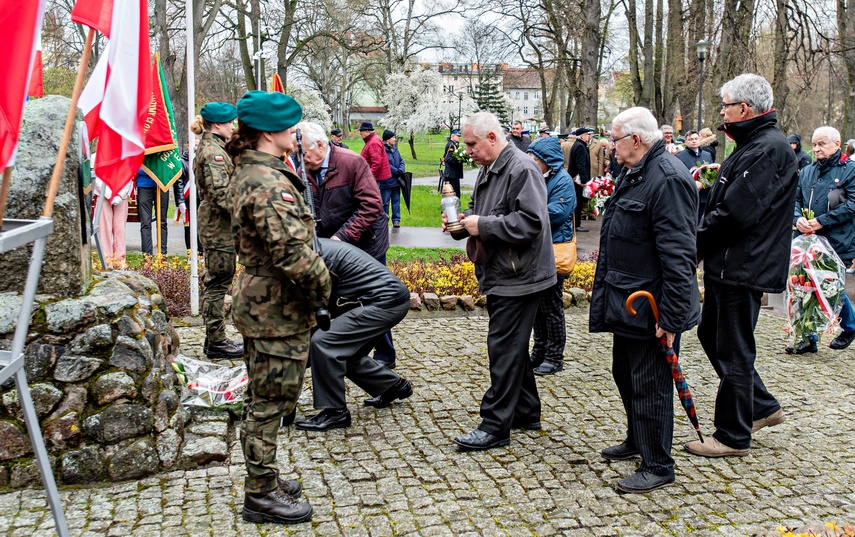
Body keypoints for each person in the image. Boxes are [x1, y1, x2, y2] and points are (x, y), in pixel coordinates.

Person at [225, 90, 331, 525]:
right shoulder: (267, 183)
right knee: (271, 402)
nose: (296, 133)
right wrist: (326, 288)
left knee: (266, 397)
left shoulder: (258, 170)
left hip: (268, 304)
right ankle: (260, 494)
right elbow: (293, 255)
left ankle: (264, 478)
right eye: (290, 126)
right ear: (269, 132)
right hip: (276, 309)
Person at [688, 73, 799, 459]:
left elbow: (734, 212)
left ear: (745, 109)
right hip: (731, 262)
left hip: (744, 264)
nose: (722, 110)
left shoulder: (769, 149)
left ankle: (733, 435)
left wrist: (696, 244)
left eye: (726, 104)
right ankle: (763, 406)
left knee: (734, 348)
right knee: (711, 335)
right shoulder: (754, 144)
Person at [589, 107, 699, 494]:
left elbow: (679, 256)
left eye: (615, 139)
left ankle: (657, 463)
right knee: (626, 373)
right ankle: (637, 438)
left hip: (653, 307)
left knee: (650, 382)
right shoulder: (637, 171)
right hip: (629, 301)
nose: (610, 147)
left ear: (636, 139)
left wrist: (670, 319)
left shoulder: (666, 179)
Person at [444, 111, 555, 451]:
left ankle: (495, 425)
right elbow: (486, 213)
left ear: (492, 137)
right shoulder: (488, 169)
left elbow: (531, 222)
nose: (468, 151)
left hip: (520, 275)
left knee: (503, 348)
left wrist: (484, 226)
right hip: (502, 271)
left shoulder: (521, 169)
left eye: (472, 144)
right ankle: (526, 411)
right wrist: (463, 223)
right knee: (512, 346)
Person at [295, 121, 397, 368]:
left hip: (366, 244)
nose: (301, 160)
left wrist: (342, 237)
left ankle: (384, 357)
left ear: (320, 145)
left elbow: (372, 205)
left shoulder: (351, 162)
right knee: (342, 302)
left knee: (374, 300)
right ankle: (349, 355)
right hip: (333, 247)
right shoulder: (304, 171)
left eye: (304, 154)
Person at [295, 239, 414, 431]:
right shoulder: (310, 248)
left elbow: (315, 312)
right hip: (385, 299)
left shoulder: (309, 259)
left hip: (385, 302)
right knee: (346, 351)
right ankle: (392, 386)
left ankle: (335, 412)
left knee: (324, 344)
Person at [789, 126, 855, 353]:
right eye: (814, 144)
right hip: (806, 239)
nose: (816, 148)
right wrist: (797, 219)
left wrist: (822, 221)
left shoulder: (850, 170)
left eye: (822, 144)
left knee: (829, 285)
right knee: (803, 285)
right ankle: (808, 338)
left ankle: (849, 325)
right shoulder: (807, 170)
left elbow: (852, 205)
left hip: (836, 240)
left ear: (837, 144)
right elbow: (796, 199)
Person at [192, 102, 244, 360]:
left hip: (217, 225)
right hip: (218, 226)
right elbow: (221, 194)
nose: (232, 126)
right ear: (217, 125)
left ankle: (214, 339)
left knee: (218, 279)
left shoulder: (215, 147)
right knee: (218, 282)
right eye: (230, 122)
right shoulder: (215, 153)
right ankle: (217, 341)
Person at [525, 137, 576, 376]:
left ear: (547, 161)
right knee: (537, 306)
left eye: (536, 159)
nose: (532, 162)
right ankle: (539, 351)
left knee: (551, 306)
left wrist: (527, 213)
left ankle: (555, 356)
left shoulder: (563, 181)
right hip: (539, 248)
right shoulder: (539, 177)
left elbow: (558, 212)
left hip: (554, 249)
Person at [93, 160, 133, 267]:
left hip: (121, 197)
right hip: (103, 196)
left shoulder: (124, 155)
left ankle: (120, 260)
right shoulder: (95, 157)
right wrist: (109, 194)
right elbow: (96, 178)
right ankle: (107, 259)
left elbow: (128, 176)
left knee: (119, 229)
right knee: (104, 229)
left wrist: (119, 195)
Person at [676, 130, 715, 224]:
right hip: (689, 196)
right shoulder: (679, 157)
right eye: (690, 139)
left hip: (705, 196)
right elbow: (678, 175)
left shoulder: (707, 155)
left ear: (699, 139)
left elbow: (712, 172)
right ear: (686, 142)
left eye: (696, 138)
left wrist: (706, 182)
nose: (694, 141)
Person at [135, 168, 169, 255]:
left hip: (162, 184)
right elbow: (135, 165)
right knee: (145, 222)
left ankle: (162, 254)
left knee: (162, 221)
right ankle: (147, 256)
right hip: (144, 185)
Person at [568, 127, 594, 232]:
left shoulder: (579, 145)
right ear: (582, 136)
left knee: (578, 201)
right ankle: (576, 224)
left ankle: (576, 223)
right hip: (577, 179)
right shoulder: (580, 146)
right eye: (587, 135)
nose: (589, 136)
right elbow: (581, 165)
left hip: (576, 178)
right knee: (578, 201)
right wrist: (584, 181)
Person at [358, 121, 392, 189]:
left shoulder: (373, 142)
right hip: (376, 176)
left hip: (375, 177)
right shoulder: (373, 139)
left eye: (361, 131)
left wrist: (369, 176)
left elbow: (376, 163)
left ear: (367, 131)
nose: (360, 133)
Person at [381, 129, 404, 228]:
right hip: (386, 181)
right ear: (387, 140)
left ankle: (396, 220)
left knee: (396, 201)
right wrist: (396, 171)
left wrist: (401, 169)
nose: (394, 139)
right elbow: (385, 163)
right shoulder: (383, 150)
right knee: (385, 202)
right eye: (393, 137)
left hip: (396, 181)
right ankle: (384, 220)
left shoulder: (395, 149)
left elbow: (401, 160)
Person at [442, 129, 464, 198]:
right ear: (452, 136)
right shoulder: (451, 145)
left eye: (460, 136)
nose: (459, 137)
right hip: (452, 174)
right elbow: (449, 159)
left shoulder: (454, 144)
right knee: (454, 193)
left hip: (452, 173)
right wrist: (459, 160)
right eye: (457, 136)